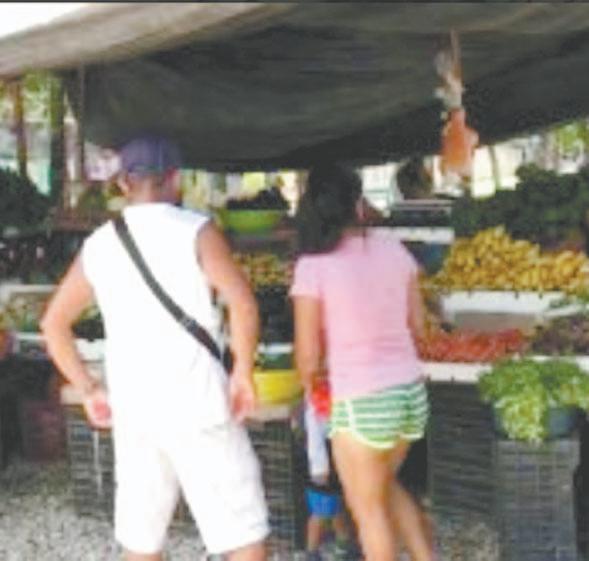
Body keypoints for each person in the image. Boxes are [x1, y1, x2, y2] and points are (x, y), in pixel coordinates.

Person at [41, 137, 269, 561]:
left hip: (135, 410)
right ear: (175, 178)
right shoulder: (198, 231)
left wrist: (88, 389)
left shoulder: (99, 244)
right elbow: (243, 304)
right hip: (200, 404)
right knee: (242, 535)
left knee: (141, 540)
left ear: (123, 184)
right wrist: (242, 373)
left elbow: (53, 324)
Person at [291, 163, 433, 561]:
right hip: (410, 394)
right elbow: (419, 327)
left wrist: (311, 391)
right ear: (358, 203)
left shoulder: (313, 266)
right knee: (384, 485)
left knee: (369, 514)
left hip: (361, 403)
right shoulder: (393, 248)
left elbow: (307, 356)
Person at [303, 394, 351, 561]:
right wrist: (319, 468)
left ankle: (343, 544)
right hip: (322, 465)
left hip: (331, 457)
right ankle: (312, 552)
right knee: (321, 510)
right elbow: (314, 436)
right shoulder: (316, 403)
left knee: (335, 504)